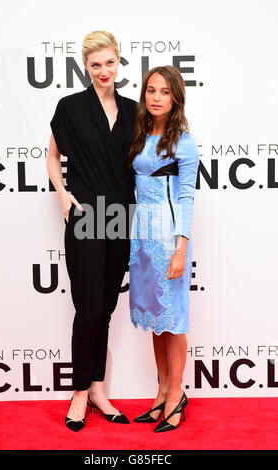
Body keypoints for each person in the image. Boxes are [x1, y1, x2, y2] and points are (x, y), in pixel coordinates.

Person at [47, 31, 137, 432]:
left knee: (105, 309)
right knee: (87, 309)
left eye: (110, 63)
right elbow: (52, 156)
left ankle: (99, 390)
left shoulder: (136, 110)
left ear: (120, 62)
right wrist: (63, 194)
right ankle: (79, 393)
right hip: (86, 213)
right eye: (95, 64)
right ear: (86, 66)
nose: (103, 71)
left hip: (120, 211)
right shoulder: (70, 107)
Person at [128, 66, 200, 433]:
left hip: (169, 237)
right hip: (142, 235)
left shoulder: (183, 142)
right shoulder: (139, 135)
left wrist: (179, 249)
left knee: (173, 320)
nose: (156, 97)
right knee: (158, 321)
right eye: (151, 90)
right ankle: (160, 393)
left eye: (164, 91)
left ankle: (175, 396)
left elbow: (186, 198)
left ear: (175, 97)